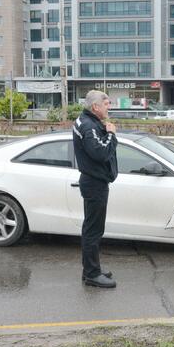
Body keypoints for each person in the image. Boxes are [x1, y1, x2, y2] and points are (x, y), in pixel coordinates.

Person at [72, 90, 118, 288]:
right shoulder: (89, 127)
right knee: (93, 231)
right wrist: (112, 134)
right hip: (95, 183)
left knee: (92, 229)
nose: (109, 107)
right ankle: (91, 274)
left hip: (93, 181)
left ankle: (91, 269)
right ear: (95, 107)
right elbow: (100, 153)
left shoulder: (86, 122)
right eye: (106, 104)